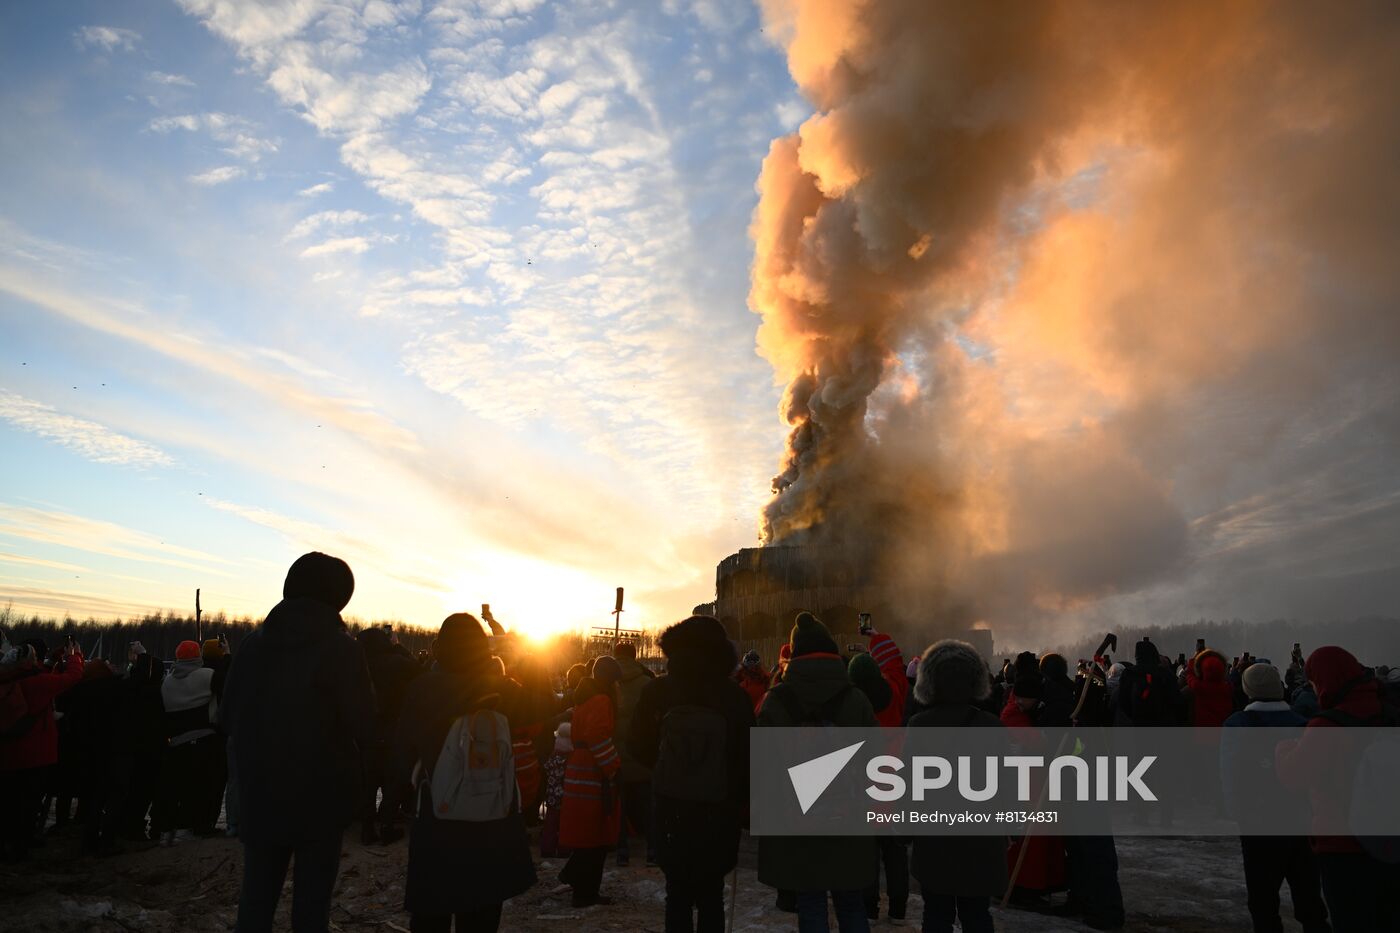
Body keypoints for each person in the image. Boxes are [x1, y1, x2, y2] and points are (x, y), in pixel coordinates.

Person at [220, 552, 374, 933]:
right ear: (339, 596)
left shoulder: (253, 645)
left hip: (261, 792)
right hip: (321, 797)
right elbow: (364, 723)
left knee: (256, 900)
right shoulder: (343, 649)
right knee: (312, 905)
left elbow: (227, 716)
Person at [393, 613, 536, 932]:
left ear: (440, 646)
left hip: (438, 813)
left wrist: (399, 794)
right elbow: (539, 707)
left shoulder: (423, 687)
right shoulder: (503, 687)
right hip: (492, 813)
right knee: (483, 907)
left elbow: (404, 748)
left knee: (433, 907)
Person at [629, 615, 755, 933]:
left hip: (671, 807)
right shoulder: (734, 696)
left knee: (678, 894)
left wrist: (662, 769)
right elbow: (749, 757)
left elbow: (636, 745)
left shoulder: (658, 692)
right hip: (719, 810)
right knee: (712, 893)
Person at [756, 611, 877, 933]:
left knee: (810, 902)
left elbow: (764, 771)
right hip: (848, 816)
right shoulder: (856, 700)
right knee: (851, 902)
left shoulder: (774, 702)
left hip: (797, 820)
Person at [1276, 646, 1400, 933]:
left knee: (1351, 918)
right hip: (1391, 835)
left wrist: (1283, 749)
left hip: (1343, 841)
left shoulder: (1328, 725)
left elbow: (1294, 775)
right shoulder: (1389, 712)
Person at [1220, 663, 1329, 933]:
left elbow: (1230, 773)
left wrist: (1236, 811)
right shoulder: (1303, 724)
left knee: (1262, 901)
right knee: (1309, 896)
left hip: (1258, 822)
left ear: (1247, 690)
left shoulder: (1237, 725)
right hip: (1300, 818)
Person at [908, 639, 1007, 933]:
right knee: (977, 916)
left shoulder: (919, 726)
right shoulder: (993, 726)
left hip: (935, 839)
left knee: (936, 915)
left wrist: (903, 831)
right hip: (982, 838)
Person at [848, 621, 909, 923]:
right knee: (895, 851)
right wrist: (878, 639)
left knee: (867, 851)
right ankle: (898, 909)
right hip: (894, 780)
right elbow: (896, 666)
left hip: (864, 784)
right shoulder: (895, 694)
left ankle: (869, 907)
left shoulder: (853, 708)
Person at [0, 640, 83, 860]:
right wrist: (74, 656)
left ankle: (7, 841)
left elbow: (38, 675)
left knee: (9, 801)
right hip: (35, 753)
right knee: (29, 803)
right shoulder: (39, 684)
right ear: (30, 662)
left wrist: (54, 658)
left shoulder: (9, 680)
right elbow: (72, 678)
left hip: (9, 753)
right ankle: (20, 846)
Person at [559, 656, 625, 907]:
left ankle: (579, 883)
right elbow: (597, 736)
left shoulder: (584, 698)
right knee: (596, 833)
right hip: (593, 771)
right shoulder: (601, 700)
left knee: (588, 833)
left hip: (580, 768)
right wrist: (613, 767)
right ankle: (584, 890)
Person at [358, 625, 420, 845]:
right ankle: (386, 825)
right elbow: (417, 668)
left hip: (365, 730)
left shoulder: (359, 665)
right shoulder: (395, 662)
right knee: (393, 778)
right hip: (393, 728)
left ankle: (366, 828)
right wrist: (398, 646)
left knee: (369, 780)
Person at [155, 640, 220, 843]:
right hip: (203, 738)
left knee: (174, 787)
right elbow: (228, 683)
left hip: (176, 742)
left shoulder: (167, 682)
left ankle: (166, 830)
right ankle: (190, 827)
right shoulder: (206, 675)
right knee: (199, 786)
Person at [613, 640, 656, 865]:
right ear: (635, 655)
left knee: (619, 805)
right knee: (647, 803)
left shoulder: (608, 682)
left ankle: (621, 851)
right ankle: (652, 851)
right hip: (641, 752)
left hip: (615, 753)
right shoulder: (647, 682)